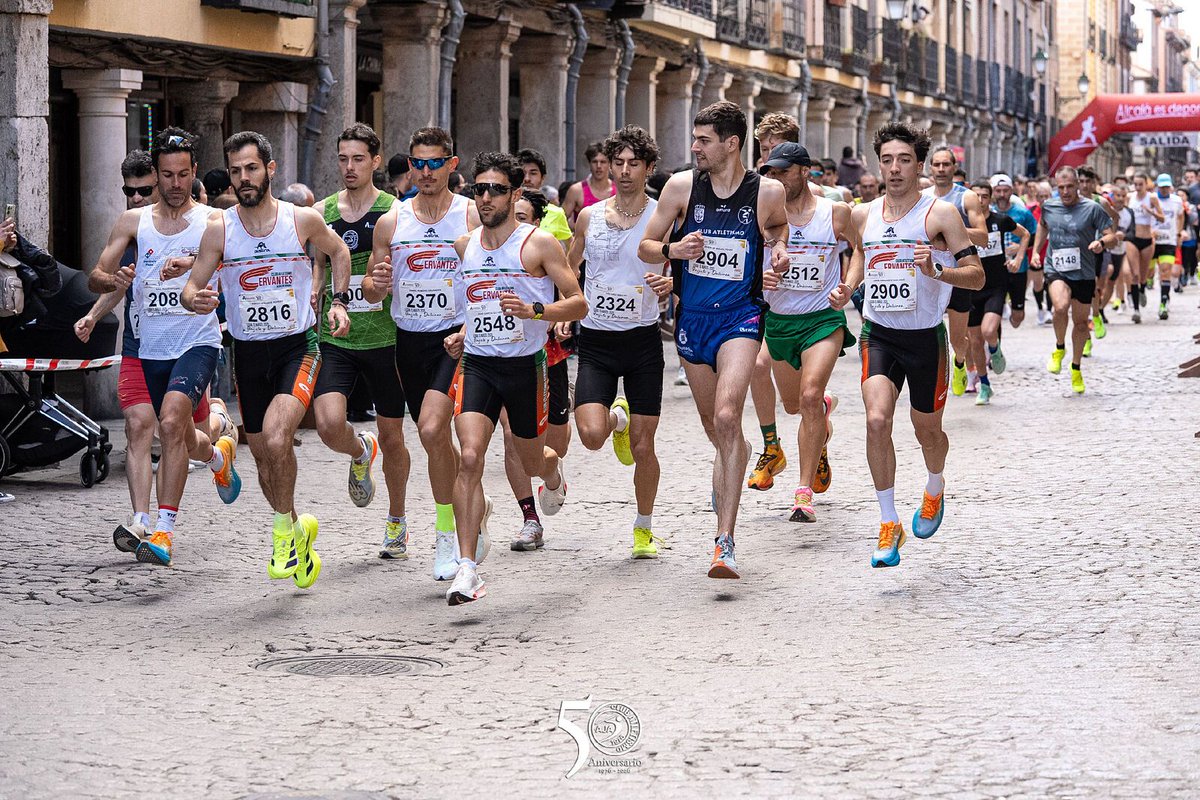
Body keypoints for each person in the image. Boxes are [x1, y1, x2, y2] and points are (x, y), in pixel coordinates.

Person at [182, 130, 353, 590]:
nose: (243, 178)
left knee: (278, 439)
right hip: (249, 355)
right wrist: (194, 299)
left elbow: (339, 251)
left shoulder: (300, 220)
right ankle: (298, 530)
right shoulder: (220, 227)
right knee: (262, 457)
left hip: (297, 347)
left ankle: (280, 538)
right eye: (236, 170)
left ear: (270, 170)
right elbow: (191, 285)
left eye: (251, 168)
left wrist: (338, 303)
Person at [639, 100, 789, 580]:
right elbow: (646, 245)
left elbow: (779, 228)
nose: (695, 147)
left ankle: (724, 542)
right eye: (695, 138)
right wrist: (673, 250)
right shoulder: (682, 187)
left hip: (741, 318)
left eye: (704, 140)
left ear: (731, 143)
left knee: (728, 414)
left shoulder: (766, 192)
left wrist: (779, 251)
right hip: (692, 321)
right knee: (716, 427)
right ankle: (735, 458)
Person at [86, 128, 241, 566]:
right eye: (167, 175)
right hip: (146, 345)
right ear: (156, 175)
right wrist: (111, 280)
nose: (175, 184)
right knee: (155, 429)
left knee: (171, 420)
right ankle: (214, 457)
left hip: (196, 339)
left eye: (183, 174)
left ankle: (163, 531)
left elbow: (233, 260)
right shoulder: (133, 222)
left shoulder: (213, 222)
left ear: (194, 174)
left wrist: (193, 265)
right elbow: (97, 272)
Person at [442, 151, 585, 604]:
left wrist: (537, 311)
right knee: (469, 457)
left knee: (529, 460)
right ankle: (466, 569)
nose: (485, 197)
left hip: (525, 367)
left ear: (515, 193)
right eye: (478, 189)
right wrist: (462, 333)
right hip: (479, 365)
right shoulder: (465, 246)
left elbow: (578, 303)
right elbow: (476, 303)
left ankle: (553, 471)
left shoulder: (538, 243)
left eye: (496, 189)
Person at [849, 121, 984, 567]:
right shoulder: (862, 214)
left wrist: (938, 272)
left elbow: (977, 274)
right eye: (886, 160)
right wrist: (845, 286)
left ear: (919, 165)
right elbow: (855, 256)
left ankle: (934, 485)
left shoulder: (940, 214)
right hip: (879, 334)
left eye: (904, 159)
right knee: (876, 419)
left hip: (926, 337)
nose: (894, 168)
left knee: (928, 432)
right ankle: (888, 523)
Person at [367, 126, 482, 580]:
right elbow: (374, 293)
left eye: (436, 163)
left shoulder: (470, 215)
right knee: (434, 438)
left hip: (455, 339)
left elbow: (490, 277)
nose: (426, 171)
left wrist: (472, 327)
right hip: (409, 340)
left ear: (452, 165)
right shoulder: (392, 221)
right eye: (418, 163)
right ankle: (466, 500)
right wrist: (375, 286)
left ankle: (445, 537)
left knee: (435, 427)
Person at [567, 125, 674, 557]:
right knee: (591, 435)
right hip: (596, 340)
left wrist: (671, 287)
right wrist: (564, 306)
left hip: (643, 341)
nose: (625, 171)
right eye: (618, 163)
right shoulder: (590, 217)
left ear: (649, 168)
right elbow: (569, 265)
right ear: (608, 166)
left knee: (645, 449)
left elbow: (680, 267)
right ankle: (618, 421)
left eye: (634, 164)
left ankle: (643, 528)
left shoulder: (659, 218)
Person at [308, 123, 410, 557]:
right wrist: (318, 291)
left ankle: (396, 520)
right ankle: (358, 450)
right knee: (329, 424)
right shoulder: (322, 209)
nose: (349, 167)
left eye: (357, 159)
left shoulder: (395, 211)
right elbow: (320, 263)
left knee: (394, 437)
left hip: (386, 338)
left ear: (374, 161)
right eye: (342, 159)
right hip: (337, 336)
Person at [758, 142, 854, 523]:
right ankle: (821, 429)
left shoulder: (836, 213)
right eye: (770, 172)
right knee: (795, 406)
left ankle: (802, 493)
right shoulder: (761, 217)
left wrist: (848, 286)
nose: (775, 178)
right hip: (780, 323)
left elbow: (859, 250)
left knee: (810, 396)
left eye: (782, 171)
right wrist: (758, 279)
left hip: (822, 321)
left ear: (803, 171)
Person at [497, 187, 573, 551]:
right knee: (509, 435)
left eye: (522, 218)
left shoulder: (544, 245)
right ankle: (529, 518)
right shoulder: (483, 244)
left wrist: (553, 316)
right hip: (491, 356)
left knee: (551, 444)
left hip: (544, 353)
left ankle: (553, 470)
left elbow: (569, 292)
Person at [1029, 166, 1117, 394]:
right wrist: (1037, 251)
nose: (1066, 192)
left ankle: (1076, 366)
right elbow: (1042, 227)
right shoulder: (1049, 205)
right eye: (1061, 187)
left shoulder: (1092, 208)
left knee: (1080, 323)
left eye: (1070, 186)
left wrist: (1102, 243)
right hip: (1056, 268)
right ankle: (1059, 348)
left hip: (1084, 272)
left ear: (1078, 185)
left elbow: (1113, 236)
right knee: (1060, 307)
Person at [922, 146, 988, 395]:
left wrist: (950, 229)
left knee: (957, 339)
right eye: (936, 165)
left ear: (954, 167)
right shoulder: (922, 196)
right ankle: (930, 378)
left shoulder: (966, 197)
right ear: (930, 168)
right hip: (929, 272)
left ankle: (960, 361)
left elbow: (982, 237)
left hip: (959, 273)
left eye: (945, 165)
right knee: (925, 330)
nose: (941, 169)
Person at [966, 180, 1028, 405]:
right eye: (976, 196)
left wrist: (1018, 259)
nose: (980, 200)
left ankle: (995, 349)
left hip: (996, 285)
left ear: (990, 198)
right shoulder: (963, 223)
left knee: (989, 330)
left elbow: (1025, 235)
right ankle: (984, 385)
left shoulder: (1000, 220)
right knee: (974, 342)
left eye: (984, 196)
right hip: (971, 287)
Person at [990, 174, 1037, 328]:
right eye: (998, 191)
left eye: (1005, 190)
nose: (1002, 195)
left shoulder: (1022, 213)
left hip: (1018, 269)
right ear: (993, 192)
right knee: (992, 314)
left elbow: (1035, 235)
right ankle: (994, 347)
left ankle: (1013, 308)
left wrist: (1022, 247)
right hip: (996, 269)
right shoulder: (988, 213)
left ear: (1012, 191)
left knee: (1018, 318)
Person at [515, 148, 572, 244]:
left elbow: (571, 246)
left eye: (533, 173)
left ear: (542, 178)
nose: (527, 179)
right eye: (523, 173)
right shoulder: (505, 209)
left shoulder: (556, 213)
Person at [1129, 172, 1164, 312]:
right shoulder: (1129, 197)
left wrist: (1151, 211)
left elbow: (1162, 218)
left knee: (1144, 275)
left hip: (1147, 239)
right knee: (1135, 274)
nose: (1137, 187)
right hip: (1132, 238)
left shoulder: (1152, 198)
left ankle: (1142, 289)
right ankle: (1136, 310)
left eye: (1140, 184)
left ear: (1146, 184)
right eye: (1135, 184)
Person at [1152, 173, 1184, 318]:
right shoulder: (1151, 199)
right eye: (1161, 187)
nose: (1164, 189)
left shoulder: (1176, 201)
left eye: (1166, 187)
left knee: (1165, 271)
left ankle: (1163, 303)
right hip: (1152, 241)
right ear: (1157, 186)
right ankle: (1145, 282)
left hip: (1168, 241)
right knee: (1148, 273)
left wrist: (1178, 233)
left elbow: (1181, 216)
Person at [562, 142, 615, 226]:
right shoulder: (576, 190)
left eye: (603, 162)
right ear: (589, 164)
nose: (598, 166)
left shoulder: (618, 190)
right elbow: (560, 221)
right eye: (594, 162)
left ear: (610, 164)